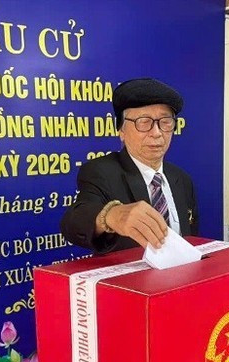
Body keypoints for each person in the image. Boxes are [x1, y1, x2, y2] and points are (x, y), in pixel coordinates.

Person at [60, 78, 198, 253]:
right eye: (143, 122)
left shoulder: (181, 180)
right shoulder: (100, 172)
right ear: (121, 131)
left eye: (165, 122)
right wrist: (110, 215)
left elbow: (191, 240)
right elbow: (73, 223)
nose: (156, 133)